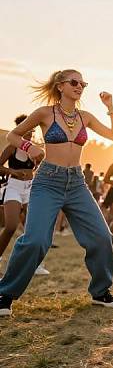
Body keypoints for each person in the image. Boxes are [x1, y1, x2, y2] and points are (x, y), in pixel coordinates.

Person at [0, 69, 113, 317]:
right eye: (74, 82)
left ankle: (100, 291)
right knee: (35, 241)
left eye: (83, 83)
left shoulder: (85, 117)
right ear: (60, 86)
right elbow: (13, 135)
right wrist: (29, 146)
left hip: (76, 183)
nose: (80, 86)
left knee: (102, 236)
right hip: (47, 182)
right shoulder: (45, 113)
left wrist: (110, 107)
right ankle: (6, 293)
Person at [0, 115, 49, 275]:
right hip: (14, 187)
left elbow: (37, 166)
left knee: (34, 229)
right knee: (11, 226)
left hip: (30, 189)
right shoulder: (11, 147)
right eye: (28, 129)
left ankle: (36, 264)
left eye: (32, 129)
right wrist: (12, 171)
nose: (30, 133)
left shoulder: (34, 148)